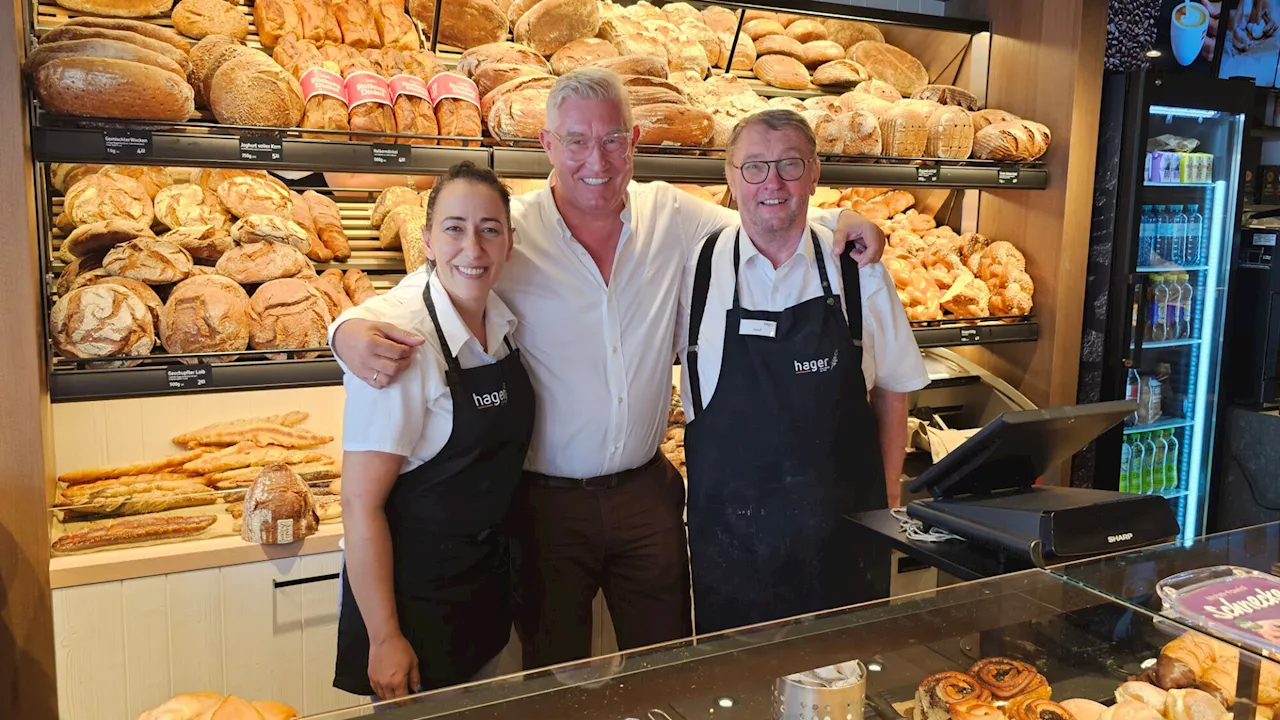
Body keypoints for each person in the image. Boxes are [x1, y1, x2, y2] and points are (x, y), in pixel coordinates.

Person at [329, 69, 886, 671]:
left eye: (612, 139)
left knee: (666, 664)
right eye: (575, 141)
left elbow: (767, 221)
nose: (596, 159)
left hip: (645, 494)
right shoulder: (508, 232)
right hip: (545, 507)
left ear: (635, 140)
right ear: (547, 144)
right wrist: (346, 332)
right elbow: (433, 284)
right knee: (556, 674)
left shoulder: (673, 217)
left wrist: (839, 220)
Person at [676, 110, 929, 635]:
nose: (772, 182)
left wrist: (885, 510)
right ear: (729, 177)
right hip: (731, 541)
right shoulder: (692, 271)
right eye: (755, 167)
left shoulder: (858, 272)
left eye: (790, 165)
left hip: (841, 536)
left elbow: (892, 394)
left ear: (814, 173)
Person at [333, 162, 534, 700]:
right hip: (413, 605)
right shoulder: (401, 345)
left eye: (489, 229)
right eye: (454, 228)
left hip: (481, 588)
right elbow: (359, 503)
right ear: (426, 240)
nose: (473, 247)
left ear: (509, 242)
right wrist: (384, 638)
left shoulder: (503, 322)